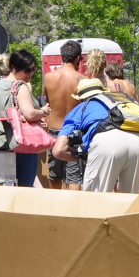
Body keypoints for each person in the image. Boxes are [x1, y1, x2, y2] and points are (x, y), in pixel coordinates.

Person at [52, 79, 139, 194]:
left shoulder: (81, 108)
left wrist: (86, 158)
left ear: (81, 98)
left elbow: (59, 150)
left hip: (105, 142)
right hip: (138, 143)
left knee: (96, 199)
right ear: (103, 92)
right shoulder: (120, 106)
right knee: (131, 198)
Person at [0, 49, 52, 188]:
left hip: (0, 143)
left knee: (5, 191)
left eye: (33, 69)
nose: (30, 73)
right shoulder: (20, 86)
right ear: (14, 68)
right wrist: (43, 111)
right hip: (21, 144)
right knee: (25, 190)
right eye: (27, 70)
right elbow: (30, 114)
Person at [43, 40, 83, 191]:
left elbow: (48, 102)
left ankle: (56, 204)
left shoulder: (49, 77)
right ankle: (74, 205)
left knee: (54, 175)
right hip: (74, 132)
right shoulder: (83, 80)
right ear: (78, 58)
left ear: (62, 57)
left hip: (55, 130)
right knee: (74, 176)